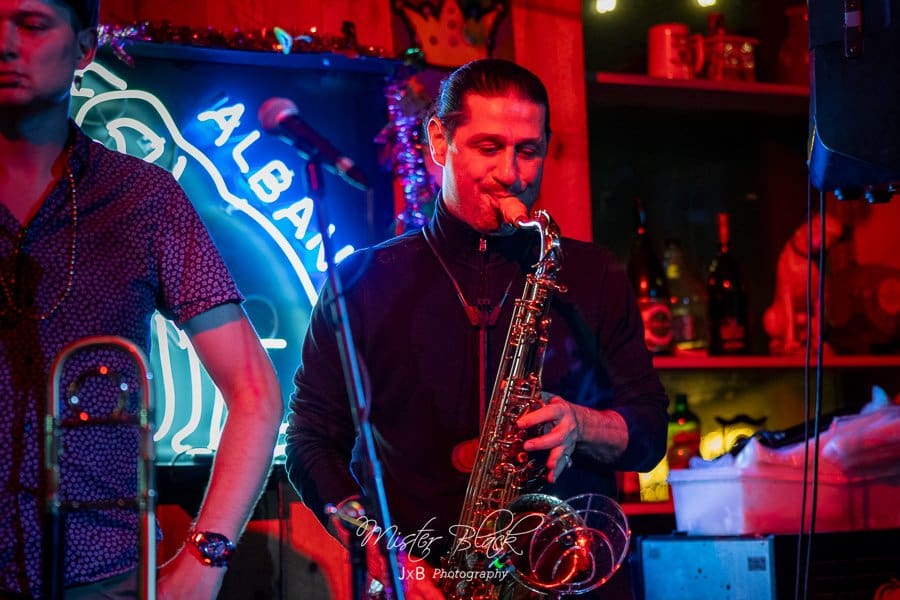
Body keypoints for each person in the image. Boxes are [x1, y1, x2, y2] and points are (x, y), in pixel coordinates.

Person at [285, 58, 669, 599]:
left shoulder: (593, 274)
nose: (511, 174)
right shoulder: (363, 282)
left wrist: (582, 423)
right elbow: (309, 440)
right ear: (439, 141)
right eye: (489, 147)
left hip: (564, 580)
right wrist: (378, 549)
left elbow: (649, 431)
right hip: (424, 582)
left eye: (528, 151)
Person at [0, 1, 284, 598]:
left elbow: (255, 392)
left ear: (84, 48)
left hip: (104, 576)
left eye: (31, 24)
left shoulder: (142, 198)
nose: (4, 43)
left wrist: (206, 559)